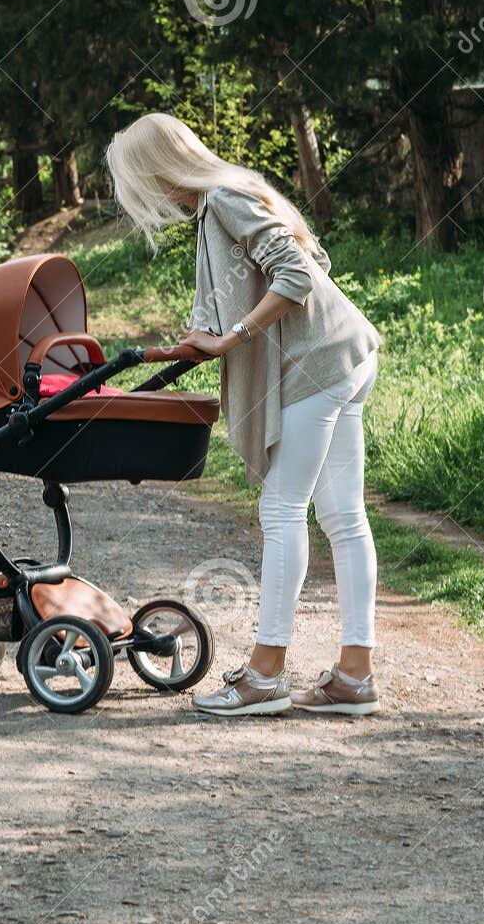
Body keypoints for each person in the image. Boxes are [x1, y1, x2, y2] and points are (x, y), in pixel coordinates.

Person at [105, 113, 383, 716]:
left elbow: (299, 275)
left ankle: (265, 674)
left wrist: (233, 338)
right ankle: (353, 677)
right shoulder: (233, 190)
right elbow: (300, 266)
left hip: (320, 364)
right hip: (349, 354)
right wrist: (209, 335)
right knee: (342, 515)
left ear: (157, 168)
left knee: (282, 508)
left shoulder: (224, 198)